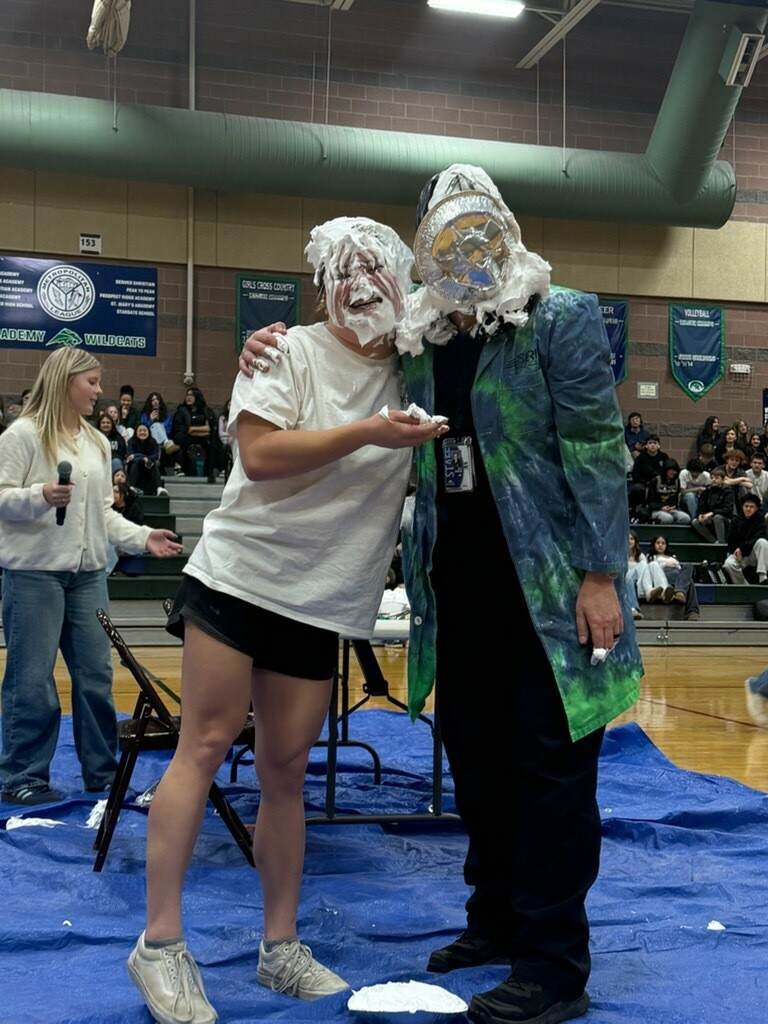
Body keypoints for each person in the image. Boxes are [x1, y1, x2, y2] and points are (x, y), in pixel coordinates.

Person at [241, 164, 643, 1024]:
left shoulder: (558, 316)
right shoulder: (419, 335)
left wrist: (602, 575)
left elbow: (599, 449)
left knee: (549, 770)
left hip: (552, 589)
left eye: (476, 225)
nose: (463, 248)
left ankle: (553, 965)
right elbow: (341, 355)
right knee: (476, 759)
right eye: (444, 235)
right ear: (423, 247)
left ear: (502, 223)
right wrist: (266, 346)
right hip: (458, 587)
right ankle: (494, 918)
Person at [126, 216, 448, 1024]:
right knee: (204, 745)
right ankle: (159, 945)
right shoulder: (287, 352)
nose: (362, 284)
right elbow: (262, 456)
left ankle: (279, 948)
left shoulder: (417, 365)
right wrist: (370, 433)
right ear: (322, 285)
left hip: (319, 601)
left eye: (377, 268)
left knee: (286, 773)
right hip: (241, 576)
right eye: (345, 271)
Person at [0, 348, 182, 806]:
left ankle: (102, 773)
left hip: (87, 576)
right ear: (65, 381)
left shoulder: (97, 443)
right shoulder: (21, 436)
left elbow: (102, 514)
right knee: (32, 678)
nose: (100, 392)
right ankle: (23, 776)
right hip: (33, 574)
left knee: (96, 674)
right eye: (92, 382)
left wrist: (143, 537)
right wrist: (39, 495)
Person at [646, 534, 700, 621]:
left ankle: (681, 592)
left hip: (677, 575)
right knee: (689, 581)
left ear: (666, 545)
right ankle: (692, 612)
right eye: (658, 543)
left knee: (689, 566)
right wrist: (665, 564)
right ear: (654, 544)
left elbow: (681, 570)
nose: (660, 545)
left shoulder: (672, 557)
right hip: (663, 575)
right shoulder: (651, 557)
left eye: (663, 543)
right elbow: (650, 570)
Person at [170, 386, 218, 481]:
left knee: (214, 443)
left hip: (203, 438)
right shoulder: (181, 411)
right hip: (186, 437)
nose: (188, 397)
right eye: (187, 395)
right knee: (180, 439)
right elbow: (182, 429)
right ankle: (179, 468)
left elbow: (209, 429)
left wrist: (192, 429)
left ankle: (212, 471)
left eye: (191, 395)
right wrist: (201, 430)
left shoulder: (206, 411)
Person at [722, 493, 768, 584]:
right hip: (739, 555)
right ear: (742, 507)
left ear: (756, 508)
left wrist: (742, 549)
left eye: (751, 507)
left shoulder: (760, 519)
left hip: (753, 554)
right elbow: (730, 540)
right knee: (728, 564)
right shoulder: (735, 520)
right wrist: (736, 550)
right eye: (746, 506)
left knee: (763, 542)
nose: (748, 509)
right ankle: (743, 586)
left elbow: (759, 536)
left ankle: (762, 576)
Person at [626, 530, 674, 606]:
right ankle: (647, 591)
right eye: (627, 539)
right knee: (643, 564)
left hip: (638, 578)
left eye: (632, 539)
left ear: (635, 541)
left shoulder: (639, 555)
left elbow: (646, 569)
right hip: (626, 578)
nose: (629, 541)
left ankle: (664, 592)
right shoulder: (620, 554)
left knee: (653, 564)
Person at [691, 467, 735, 543]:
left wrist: (712, 513)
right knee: (695, 522)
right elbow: (701, 507)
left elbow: (727, 510)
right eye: (712, 478)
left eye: (717, 478)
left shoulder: (728, 491)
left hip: (724, 519)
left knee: (717, 517)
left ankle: (721, 542)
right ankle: (713, 541)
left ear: (722, 480)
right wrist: (700, 514)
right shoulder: (707, 491)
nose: (713, 480)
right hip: (710, 518)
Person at [646, 457, 690, 525]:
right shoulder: (655, 481)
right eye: (673, 470)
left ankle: (674, 529)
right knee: (668, 519)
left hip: (671, 510)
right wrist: (661, 507)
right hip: (657, 510)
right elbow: (650, 502)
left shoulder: (676, 481)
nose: (675, 473)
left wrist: (673, 506)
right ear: (666, 470)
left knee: (686, 518)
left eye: (676, 471)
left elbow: (675, 499)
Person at [126, 422, 166, 496]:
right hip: (134, 467)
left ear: (148, 432)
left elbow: (155, 456)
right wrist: (143, 457)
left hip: (148, 468)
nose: (142, 432)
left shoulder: (153, 441)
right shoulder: (131, 441)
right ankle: (132, 487)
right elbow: (130, 456)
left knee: (152, 463)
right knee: (137, 461)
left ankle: (159, 488)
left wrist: (138, 456)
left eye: (144, 430)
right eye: (140, 431)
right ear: (136, 432)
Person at [96, 409, 127, 474]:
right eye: (103, 423)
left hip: (114, 462)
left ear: (112, 424)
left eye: (108, 423)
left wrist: (110, 457)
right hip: (98, 461)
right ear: (99, 424)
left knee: (116, 461)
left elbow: (122, 453)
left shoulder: (118, 438)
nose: (106, 425)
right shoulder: (95, 437)